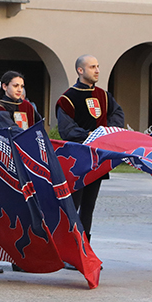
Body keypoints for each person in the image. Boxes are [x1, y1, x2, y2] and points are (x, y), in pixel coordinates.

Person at [56, 54, 124, 238]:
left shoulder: (103, 95)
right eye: (92, 67)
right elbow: (66, 129)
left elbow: (117, 114)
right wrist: (90, 135)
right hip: (77, 161)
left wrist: (107, 132)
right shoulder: (67, 99)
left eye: (98, 66)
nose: (97, 70)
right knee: (73, 205)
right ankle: (70, 249)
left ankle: (85, 249)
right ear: (80, 70)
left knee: (89, 207)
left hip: (98, 160)